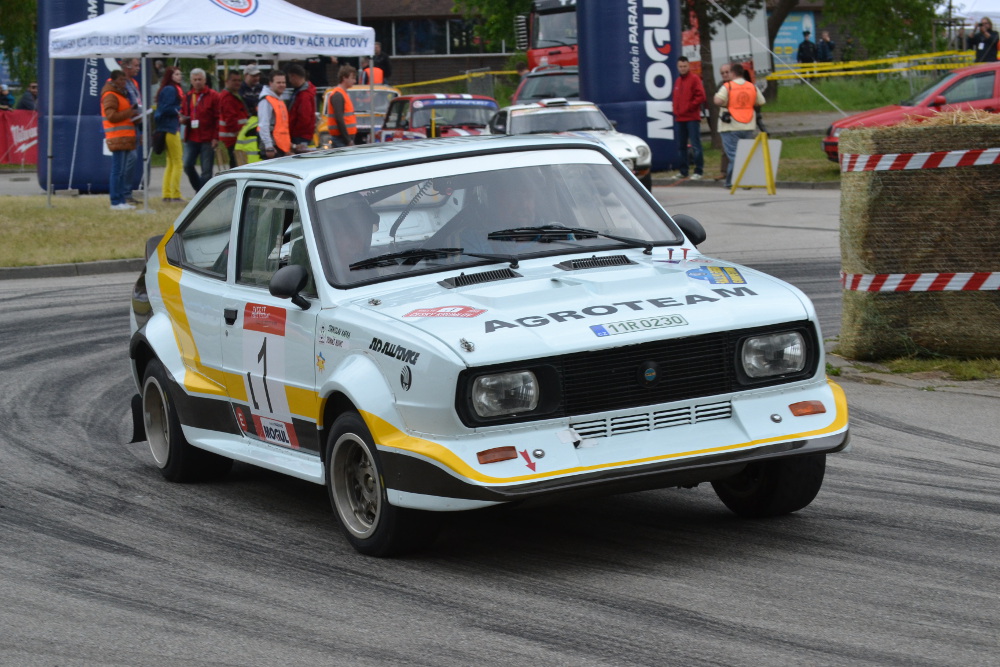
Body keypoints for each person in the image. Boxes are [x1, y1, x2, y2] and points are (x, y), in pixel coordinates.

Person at [713, 62, 765, 189]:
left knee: (734, 155)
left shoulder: (728, 86)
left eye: (728, 72)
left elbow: (718, 101)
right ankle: (732, 182)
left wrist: (724, 102)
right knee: (744, 154)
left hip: (731, 125)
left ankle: (741, 180)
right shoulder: (751, 86)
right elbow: (761, 101)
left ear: (733, 73)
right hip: (748, 125)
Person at [100, 71, 138, 211]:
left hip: (125, 136)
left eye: (125, 80)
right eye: (121, 80)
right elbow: (111, 116)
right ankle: (115, 201)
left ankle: (121, 200)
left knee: (121, 171)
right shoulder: (110, 95)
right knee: (117, 171)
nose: (124, 82)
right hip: (117, 136)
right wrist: (129, 112)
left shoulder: (121, 94)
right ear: (114, 80)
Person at [182, 68, 219, 192]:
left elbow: (218, 117)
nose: (197, 82)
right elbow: (184, 112)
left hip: (207, 138)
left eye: (200, 79)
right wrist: (182, 119)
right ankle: (200, 192)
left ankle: (202, 195)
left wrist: (215, 137)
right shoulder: (188, 96)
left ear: (205, 80)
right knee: (187, 165)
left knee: (206, 171)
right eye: (195, 80)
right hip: (192, 137)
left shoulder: (213, 95)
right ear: (191, 81)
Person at [671, 56, 705, 181]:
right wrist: (676, 110)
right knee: (681, 146)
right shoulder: (678, 81)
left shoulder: (694, 79)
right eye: (680, 66)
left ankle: (698, 171)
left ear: (688, 66)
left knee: (695, 145)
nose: (682, 68)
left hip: (692, 118)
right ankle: (683, 171)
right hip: (680, 118)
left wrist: (689, 107)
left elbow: (701, 96)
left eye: (684, 66)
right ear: (677, 67)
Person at [154, 66, 185, 202]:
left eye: (180, 74)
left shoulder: (169, 88)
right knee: (177, 162)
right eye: (177, 74)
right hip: (170, 128)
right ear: (170, 76)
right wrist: (181, 109)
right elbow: (166, 108)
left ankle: (167, 193)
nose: (180, 76)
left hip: (168, 128)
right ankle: (175, 194)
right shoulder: (171, 89)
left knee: (171, 162)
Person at [119, 58, 144, 203]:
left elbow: (137, 102)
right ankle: (123, 193)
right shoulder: (118, 83)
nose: (138, 68)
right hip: (124, 127)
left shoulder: (134, 83)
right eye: (136, 65)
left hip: (135, 125)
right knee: (127, 160)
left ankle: (126, 193)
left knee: (132, 159)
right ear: (127, 66)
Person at [218, 70, 250, 168]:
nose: (237, 83)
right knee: (236, 165)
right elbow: (230, 120)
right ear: (227, 81)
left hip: (235, 137)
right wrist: (240, 133)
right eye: (234, 80)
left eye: (239, 80)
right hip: (233, 138)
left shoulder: (233, 95)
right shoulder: (227, 97)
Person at [257, 71, 291, 160]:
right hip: (272, 147)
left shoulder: (278, 99)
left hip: (280, 146)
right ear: (271, 83)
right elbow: (263, 124)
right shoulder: (266, 100)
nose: (282, 85)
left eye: (283, 82)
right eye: (278, 82)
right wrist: (269, 146)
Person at [324, 65, 358, 147]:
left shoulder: (342, 94)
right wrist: (348, 140)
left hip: (343, 138)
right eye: (352, 78)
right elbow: (339, 119)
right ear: (344, 78)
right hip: (341, 139)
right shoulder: (338, 95)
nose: (355, 81)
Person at [286, 63, 316, 149]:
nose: (290, 81)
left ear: (294, 76)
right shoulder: (303, 92)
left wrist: (293, 131)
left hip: (300, 136)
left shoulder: (303, 95)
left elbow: (304, 118)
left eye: (290, 78)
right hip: (302, 135)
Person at [714, 62, 733, 182]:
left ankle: (737, 173)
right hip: (725, 119)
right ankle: (724, 172)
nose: (725, 75)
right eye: (722, 73)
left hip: (738, 119)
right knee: (724, 148)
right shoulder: (721, 85)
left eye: (727, 72)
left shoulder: (737, 84)